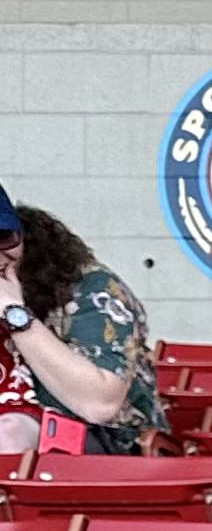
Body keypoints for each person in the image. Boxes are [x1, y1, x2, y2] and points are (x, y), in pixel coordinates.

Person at [0, 187, 169, 457]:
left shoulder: (87, 289)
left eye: (3, 238)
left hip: (105, 444)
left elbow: (99, 404)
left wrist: (14, 313)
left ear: (23, 236)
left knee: (7, 434)